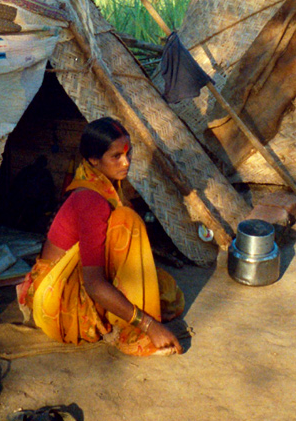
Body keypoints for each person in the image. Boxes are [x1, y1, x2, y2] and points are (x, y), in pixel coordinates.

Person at [16, 117, 184, 356]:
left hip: (61, 285)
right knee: (128, 222)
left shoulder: (97, 181)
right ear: (94, 159)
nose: (126, 163)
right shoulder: (91, 199)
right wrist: (148, 325)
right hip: (60, 300)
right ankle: (130, 333)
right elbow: (94, 284)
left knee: (157, 284)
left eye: (128, 154)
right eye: (116, 156)